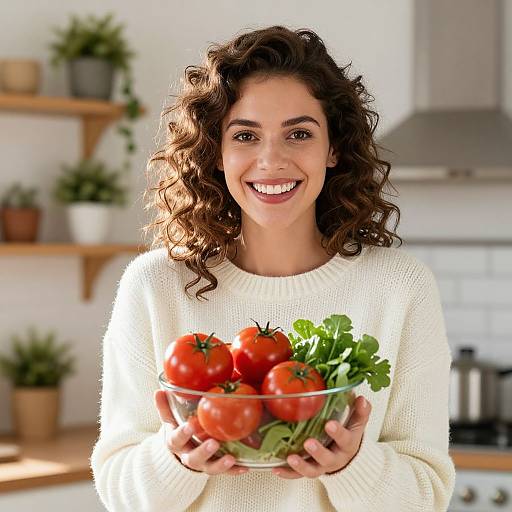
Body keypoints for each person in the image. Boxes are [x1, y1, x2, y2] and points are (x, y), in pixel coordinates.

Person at [90, 25, 455, 512]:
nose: (271, 160)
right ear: (216, 153)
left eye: (299, 133)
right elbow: (118, 488)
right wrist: (174, 459)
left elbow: (427, 496)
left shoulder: (400, 288)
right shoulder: (156, 286)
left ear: (334, 148)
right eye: (245, 135)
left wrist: (352, 466)